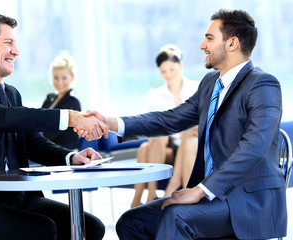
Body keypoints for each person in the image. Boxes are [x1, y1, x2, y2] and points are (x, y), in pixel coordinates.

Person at [81, 9, 287, 239]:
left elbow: (253, 148)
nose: (202, 45)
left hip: (247, 202)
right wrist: (108, 122)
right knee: (132, 222)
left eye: (209, 38)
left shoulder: (262, 85)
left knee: (176, 216)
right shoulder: (210, 83)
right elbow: (169, 119)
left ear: (232, 43)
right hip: (212, 197)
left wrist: (199, 190)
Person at [0, 13, 107, 240]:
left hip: (19, 198)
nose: (16, 51)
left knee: (91, 226)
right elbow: (1, 118)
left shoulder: (11, 94)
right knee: (42, 230)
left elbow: (34, 144)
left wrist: (72, 158)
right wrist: (72, 118)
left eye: (16, 44)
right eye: (9, 43)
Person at [131, 44, 199, 208]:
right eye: (163, 71)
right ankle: (149, 194)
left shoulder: (196, 88)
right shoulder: (156, 95)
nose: (168, 74)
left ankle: (148, 197)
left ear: (181, 66)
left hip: (189, 143)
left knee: (145, 149)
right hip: (166, 147)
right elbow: (154, 126)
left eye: (171, 69)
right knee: (153, 141)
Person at [42, 54, 81, 150]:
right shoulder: (50, 98)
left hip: (66, 151)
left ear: (72, 77)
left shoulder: (73, 102)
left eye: (64, 78)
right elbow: (38, 118)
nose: (59, 82)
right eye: (56, 78)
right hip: (49, 148)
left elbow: (55, 130)